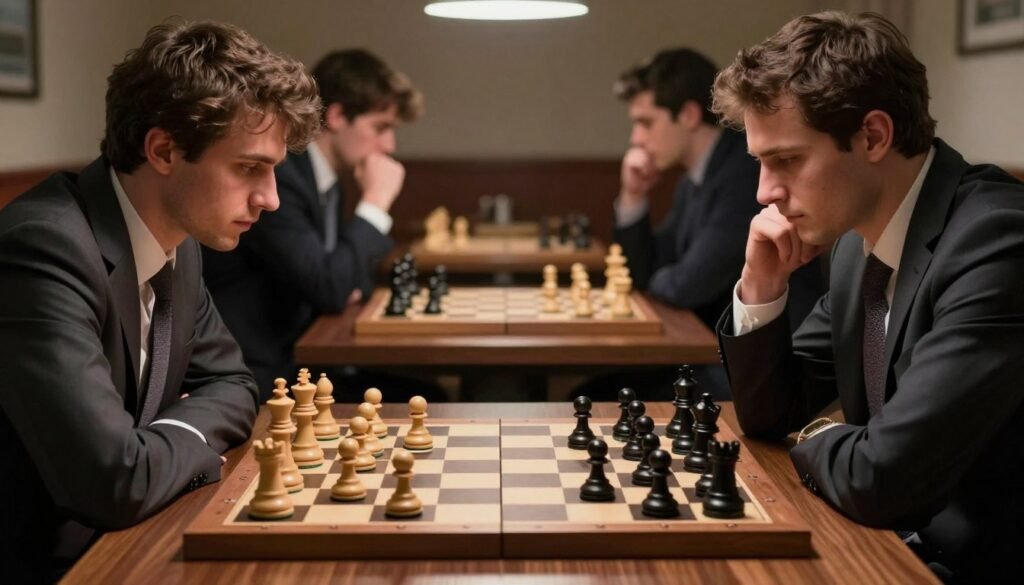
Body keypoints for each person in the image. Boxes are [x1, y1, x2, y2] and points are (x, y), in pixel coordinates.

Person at [0, 21, 320, 582]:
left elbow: (233, 384)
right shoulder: (42, 248)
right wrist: (187, 443)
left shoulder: (178, 240)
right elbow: (114, 482)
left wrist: (157, 449)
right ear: (164, 150)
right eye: (249, 167)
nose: (269, 199)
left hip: (126, 541)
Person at [713, 11, 1024, 583]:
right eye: (760, 163)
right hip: (891, 550)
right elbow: (769, 414)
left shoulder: (996, 241)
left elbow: (883, 478)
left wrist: (815, 434)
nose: (764, 192)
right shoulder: (860, 246)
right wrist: (761, 288)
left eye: (785, 160)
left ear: (873, 136)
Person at [203, 49, 423, 395]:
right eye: (380, 127)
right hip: (260, 377)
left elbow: (351, 280)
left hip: (305, 361)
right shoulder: (282, 178)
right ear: (336, 116)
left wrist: (338, 281)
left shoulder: (326, 180)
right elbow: (332, 286)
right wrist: (377, 202)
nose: (389, 144)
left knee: (426, 395)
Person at [612, 48, 824, 331]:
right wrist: (634, 195)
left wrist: (652, 277)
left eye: (646, 123)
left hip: (776, 354)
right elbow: (648, 266)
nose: (635, 138)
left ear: (688, 115)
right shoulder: (694, 179)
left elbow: (686, 287)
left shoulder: (744, 175)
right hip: (713, 346)